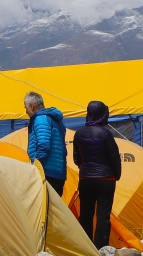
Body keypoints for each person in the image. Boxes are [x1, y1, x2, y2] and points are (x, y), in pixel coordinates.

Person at [71, 100, 122, 248]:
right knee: (103, 216)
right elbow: (114, 157)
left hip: (85, 178)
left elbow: (76, 158)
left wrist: (85, 168)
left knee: (85, 214)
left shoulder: (78, 133)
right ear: (102, 114)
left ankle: (86, 248)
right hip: (106, 179)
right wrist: (116, 175)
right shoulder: (106, 133)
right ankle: (101, 249)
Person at [24, 91, 67, 197]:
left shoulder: (41, 119)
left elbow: (44, 147)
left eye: (25, 107)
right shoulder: (55, 119)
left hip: (46, 172)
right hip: (58, 171)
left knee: (44, 210)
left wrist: (34, 166)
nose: (25, 111)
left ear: (31, 106)